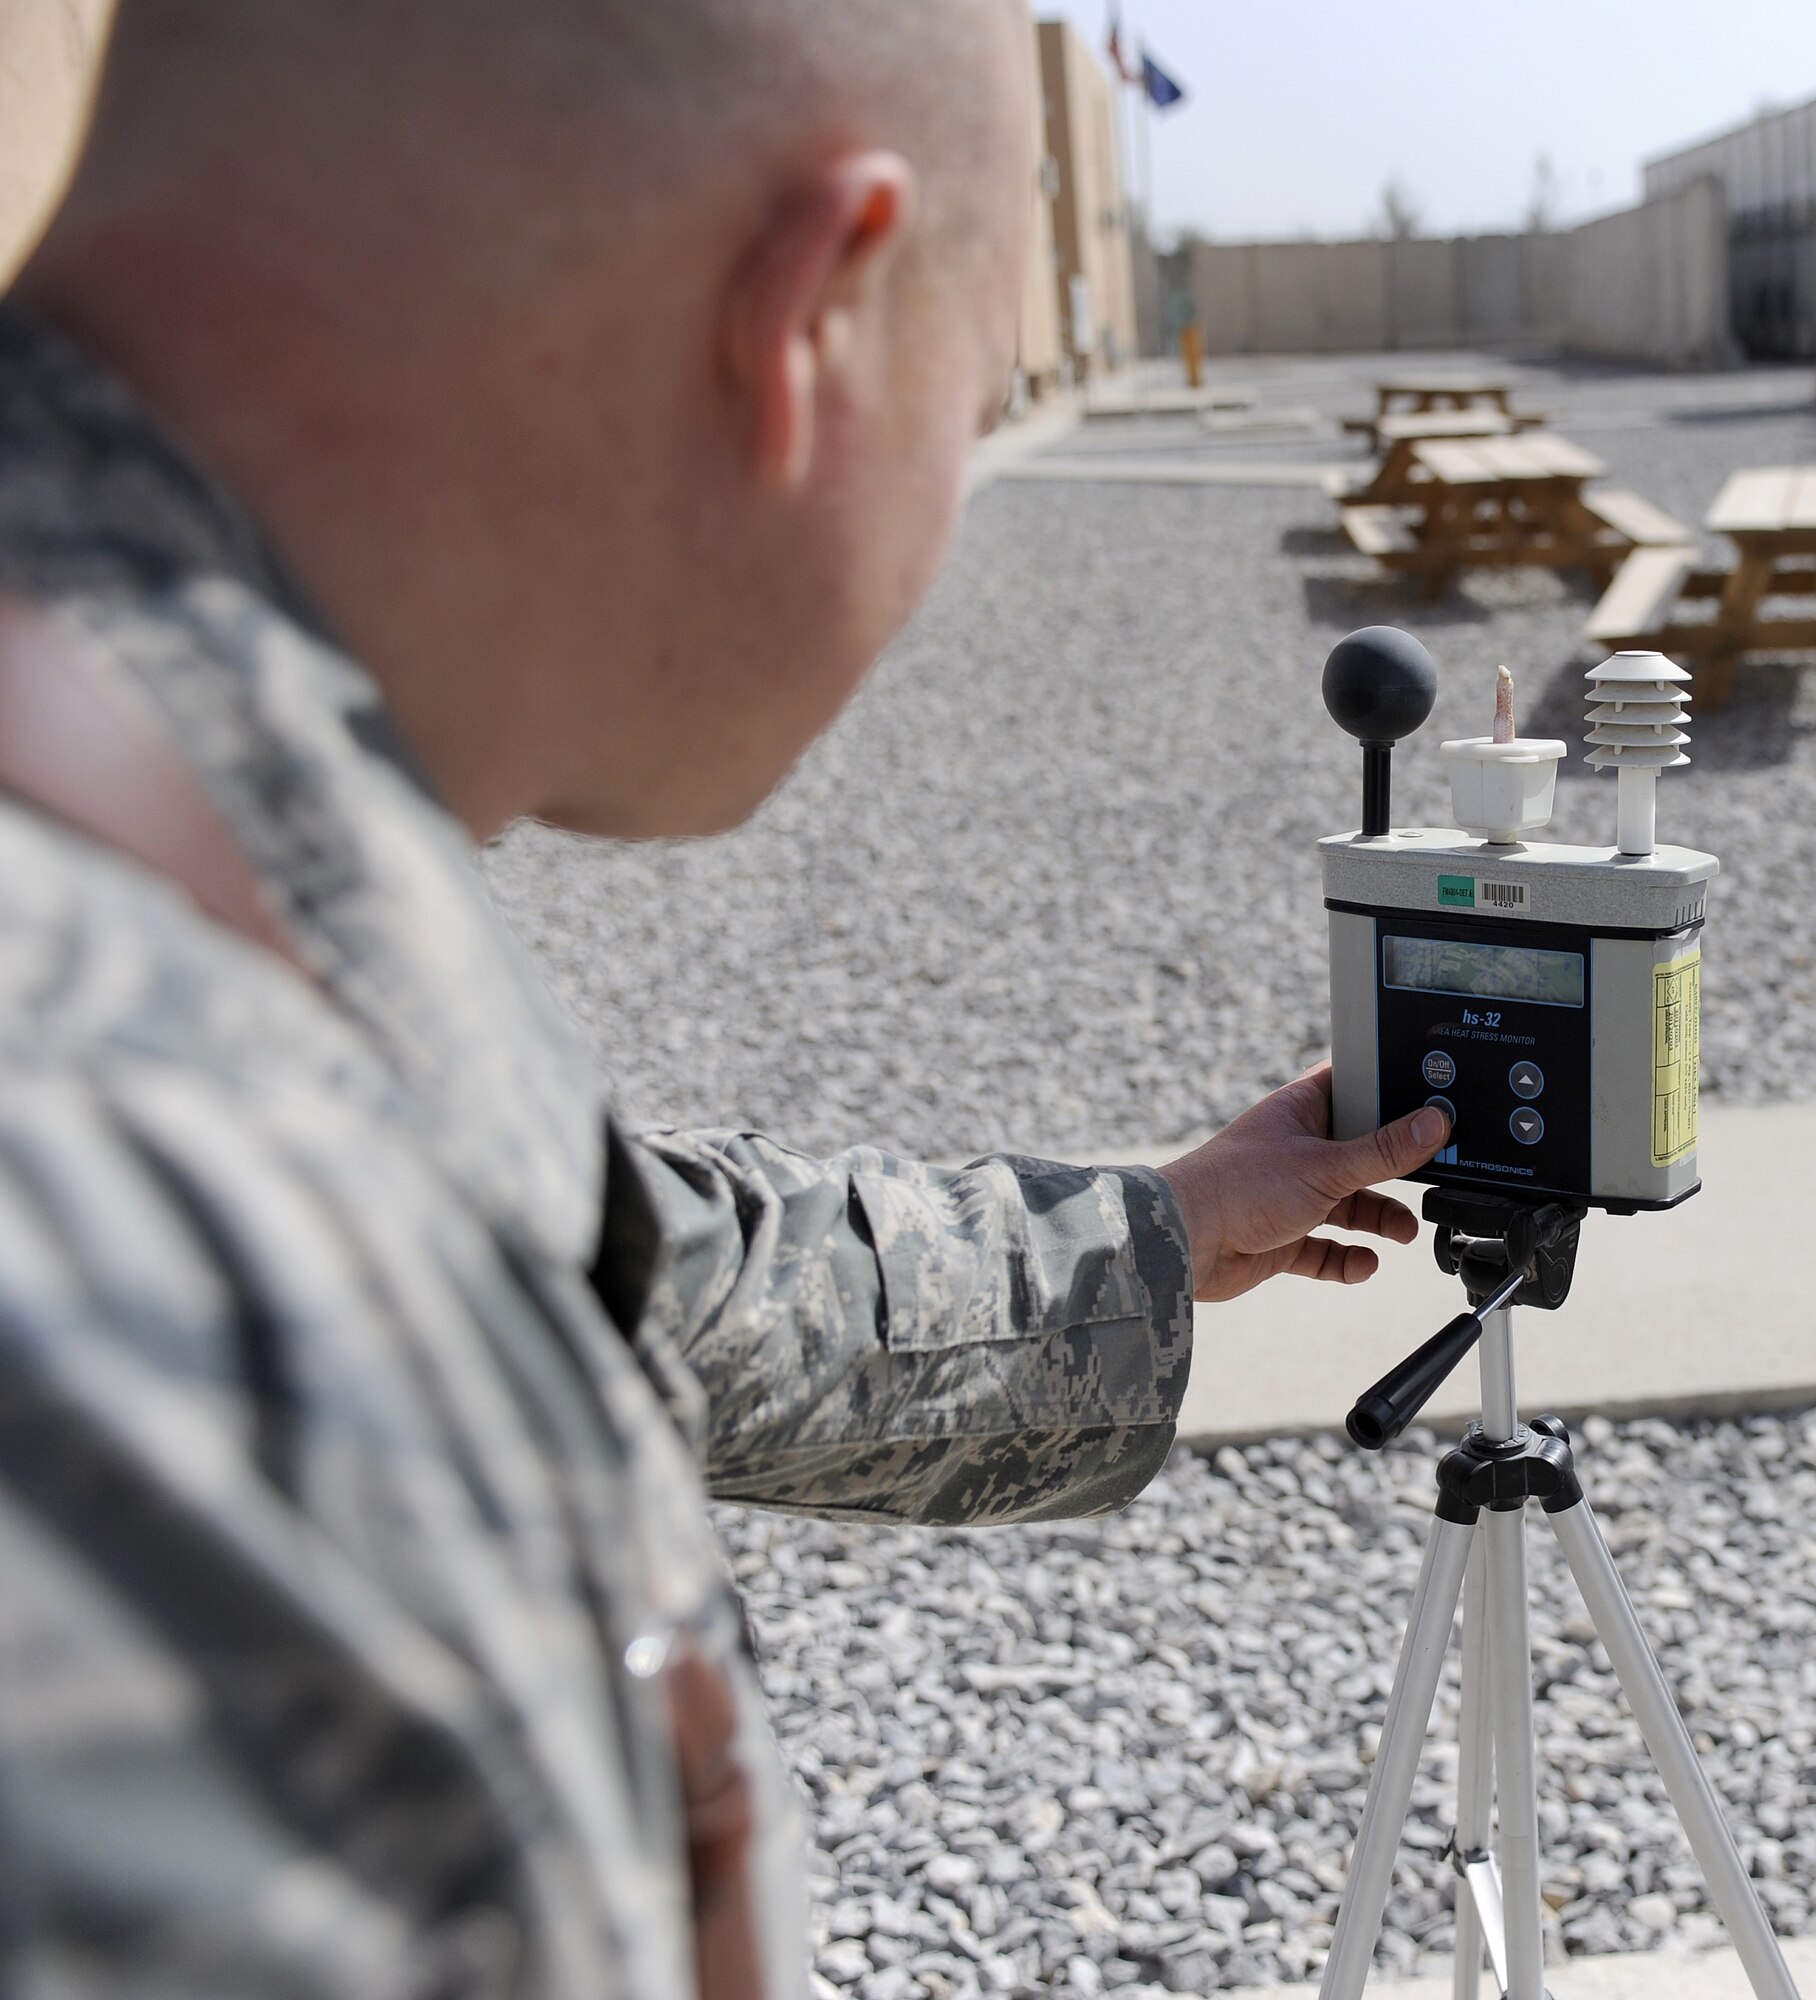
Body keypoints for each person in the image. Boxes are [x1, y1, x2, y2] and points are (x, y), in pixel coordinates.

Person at [0, 0, 1448, 1992]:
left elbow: (636, 1269)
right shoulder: (156, 1239)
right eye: (980, 382)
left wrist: (1164, 1233)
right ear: (809, 315)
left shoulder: (193, 879)